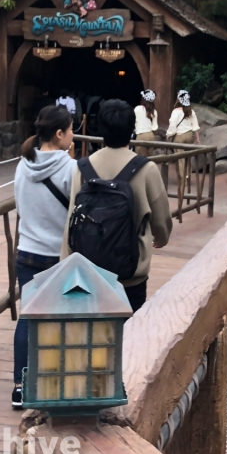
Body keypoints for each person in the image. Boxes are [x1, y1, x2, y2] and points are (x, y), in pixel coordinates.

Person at [62, 99, 172, 312]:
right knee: (131, 328)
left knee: (92, 330)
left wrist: (66, 260)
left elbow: (72, 217)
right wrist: (160, 238)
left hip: (88, 271)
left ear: (101, 129)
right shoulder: (147, 169)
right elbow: (161, 220)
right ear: (132, 130)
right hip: (130, 274)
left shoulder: (83, 167)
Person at [12, 105, 76, 410]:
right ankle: (55, 383)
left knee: (28, 317)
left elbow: (20, 206)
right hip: (58, 255)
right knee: (62, 319)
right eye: (71, 130)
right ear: (60, 133)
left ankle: (20, 386)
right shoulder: (71, 169)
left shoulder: (23, 164)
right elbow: (76, 210)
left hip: (27, 252)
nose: (73, 135)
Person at [166, 90, 201, 190]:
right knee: (187, 158)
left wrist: (168, 134)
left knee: (180, 159)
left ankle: (183, 180)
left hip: (179, 137)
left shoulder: (176, 111)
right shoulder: (191, 111)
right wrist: (197, 139)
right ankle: (188, 176)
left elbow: (173, 126)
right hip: (189, 136)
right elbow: (195, 127)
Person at [133, 89, 159, 156]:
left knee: (140, 157)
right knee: (150, 157)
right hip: (151, 135)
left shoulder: (138, 109)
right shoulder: (154, 111)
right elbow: (155, 128)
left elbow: (133, 121)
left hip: (141, 135)